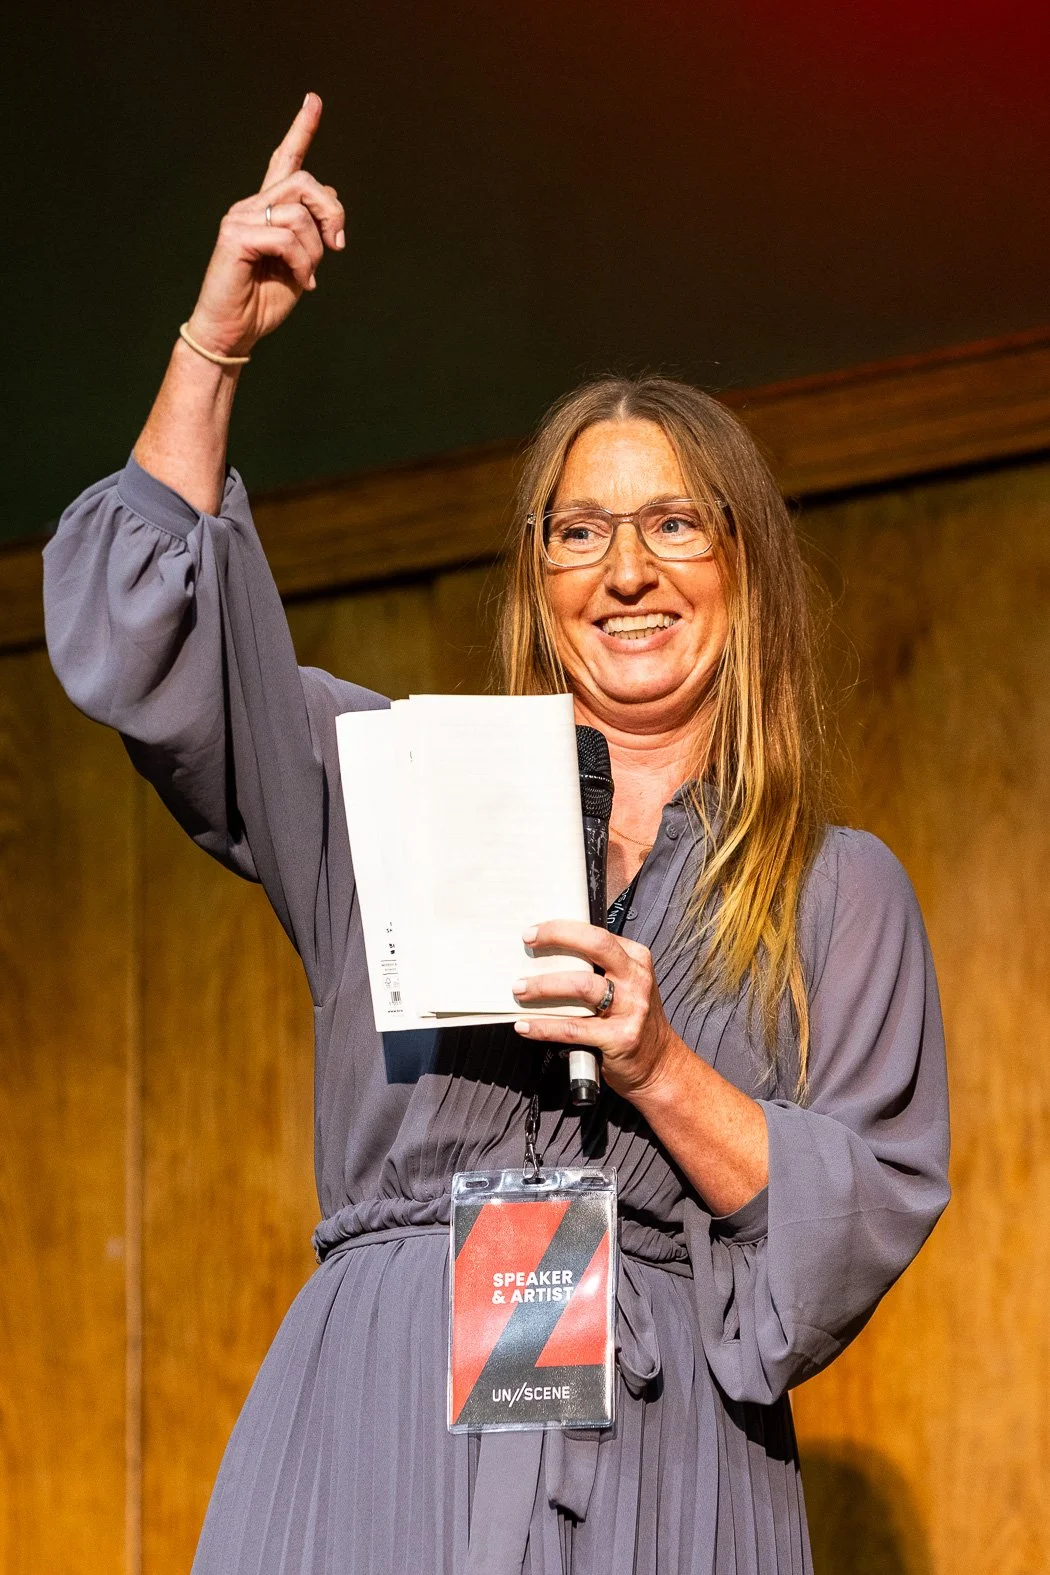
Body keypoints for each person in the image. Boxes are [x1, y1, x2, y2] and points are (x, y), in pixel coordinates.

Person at [43, 94, 950, 1575]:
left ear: (742, 567)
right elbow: (147, 642)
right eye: (577, 530)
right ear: (537, 579)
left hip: (661, 1454)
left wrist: (658, 1064)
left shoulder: (835, 893)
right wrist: (213, 346)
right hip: (382, 1426)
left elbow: (850, 1224)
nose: (626, 569)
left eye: (676, 524)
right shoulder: (392, 777)